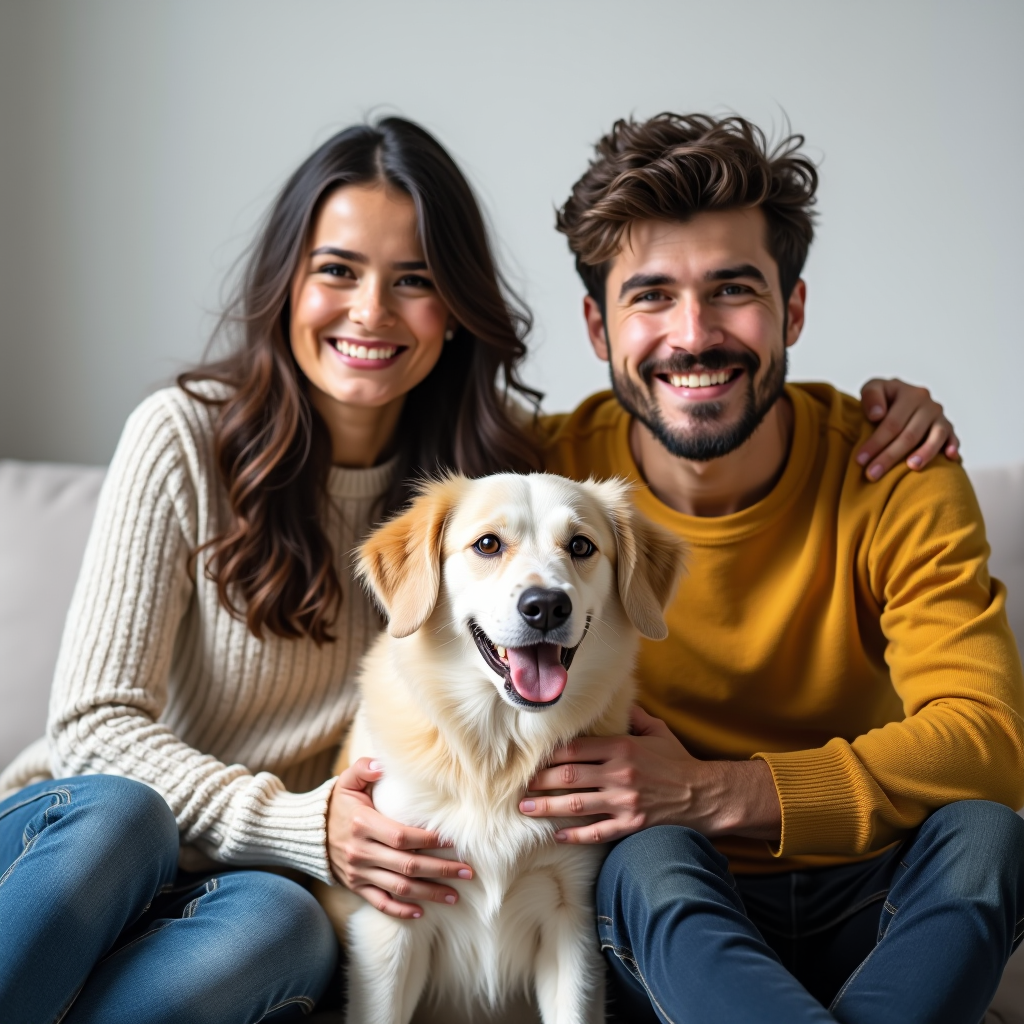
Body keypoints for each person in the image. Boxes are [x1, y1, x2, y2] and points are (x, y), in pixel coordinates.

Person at [0, 113, 957, 1022]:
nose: (372, 311)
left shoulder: (491, 467)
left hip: (267, 885)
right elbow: (89, 730)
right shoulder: (184, 438)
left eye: (414, 279)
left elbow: (659, 437)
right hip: (98, 838)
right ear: (288, 285)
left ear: (455, 308)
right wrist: (299, 823)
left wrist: (893, 407)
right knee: (126, 817)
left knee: (286, 932)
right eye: (337, 270)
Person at [522, 112, 1024, 1023]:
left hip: (878, 891)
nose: (694, 334)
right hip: (673, 889)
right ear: (598, 327)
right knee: (647, 854)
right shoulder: (540, 490)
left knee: (988, 836)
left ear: (792, 308)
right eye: (651, 297)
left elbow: (989, 743)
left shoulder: (894, 470)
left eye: (732, 290)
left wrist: (717, 789)